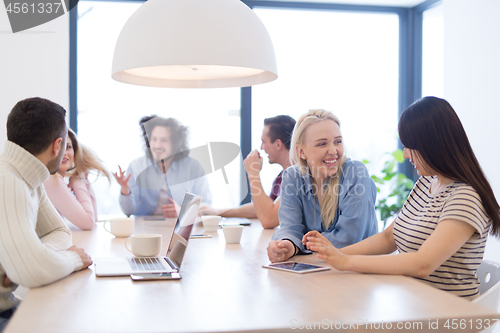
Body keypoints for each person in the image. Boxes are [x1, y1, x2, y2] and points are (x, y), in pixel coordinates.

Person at [304, 97, 500, 300]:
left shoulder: (466, 197)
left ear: (434, 145)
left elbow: (423, 264)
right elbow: (389, 238)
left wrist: (345, 262)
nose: (406, 154)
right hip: (410, 302)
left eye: (410, 145)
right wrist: (331, 255)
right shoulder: (426, 183)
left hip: (448, 314)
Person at [0, 97, 92, 332]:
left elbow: (58, 231)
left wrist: (35, 255)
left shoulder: (30, 177)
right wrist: (73, 259)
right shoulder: (7, 181)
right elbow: (30, 271)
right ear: (57, 145)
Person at [267, 109, 378, 263]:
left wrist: (299, 244)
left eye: (338, 141)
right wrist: (286, 244)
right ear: (301, 151)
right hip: (318, 270)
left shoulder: (355, 174)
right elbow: (289, 228)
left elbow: (349, 239)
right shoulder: (293, 177)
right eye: (322, 144)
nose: (333, 151)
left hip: (359, 271)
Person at [200, 115, 296, 229]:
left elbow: (268, 219)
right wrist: (217, 212)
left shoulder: (297, 176)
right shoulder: (282, 177)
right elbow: (261, 209)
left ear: (278, 144)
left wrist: (253, 173)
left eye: (263, 142)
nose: (261, 147)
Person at [115, 115, 212, 217]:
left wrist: (183, 212)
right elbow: (129, 211)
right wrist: (125, 190)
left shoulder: (193, 167)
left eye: (164, 140)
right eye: (154, 139)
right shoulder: (136, 166)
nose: (157, 145)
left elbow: (206, 204)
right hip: (144, 230)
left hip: (180, 228)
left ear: (175, 143)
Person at [44, 129, 112, 230]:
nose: (64, 153)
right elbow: (88, 222)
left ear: (75, 152)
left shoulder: (53, 179)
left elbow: (94, 218)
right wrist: (78, 182)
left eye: (68, 147)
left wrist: (83, 179)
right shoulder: (52, 179)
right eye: (58, 147)